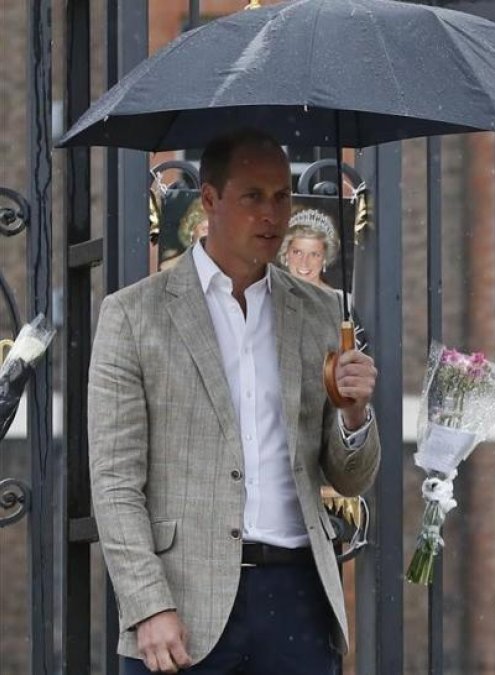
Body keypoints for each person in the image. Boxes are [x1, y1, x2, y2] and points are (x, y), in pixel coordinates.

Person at [89, 129, 381, 674]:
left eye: (282, 197)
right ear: (209, 200)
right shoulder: (134, 314)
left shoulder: (320, 311)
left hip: (298, 598)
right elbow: (114, 481)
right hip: (183, 603)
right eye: (253, 197)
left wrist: (354, 412)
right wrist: (148, 604)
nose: (273, 214)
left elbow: (350, 480)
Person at [280, 209, 368, 351]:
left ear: (325, 259)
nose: (304, 262)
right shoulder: (269, 297)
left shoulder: (343, 303)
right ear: (286, 255)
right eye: (297, 252)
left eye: (314, 254)